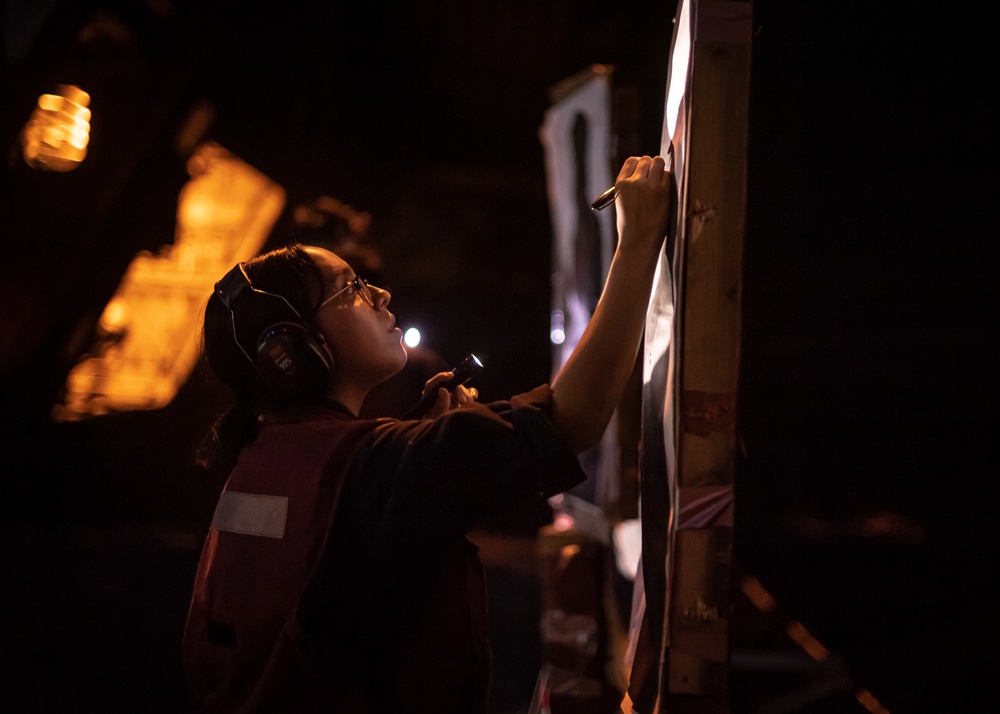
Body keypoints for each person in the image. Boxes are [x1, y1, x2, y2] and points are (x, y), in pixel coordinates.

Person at [182, 155, 672, 713]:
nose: (381, 296)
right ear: (292, 352)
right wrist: (638, 242)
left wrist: (425, 453)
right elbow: (572, 419)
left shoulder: (260, 459)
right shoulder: (373, 466)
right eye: (352, 289)